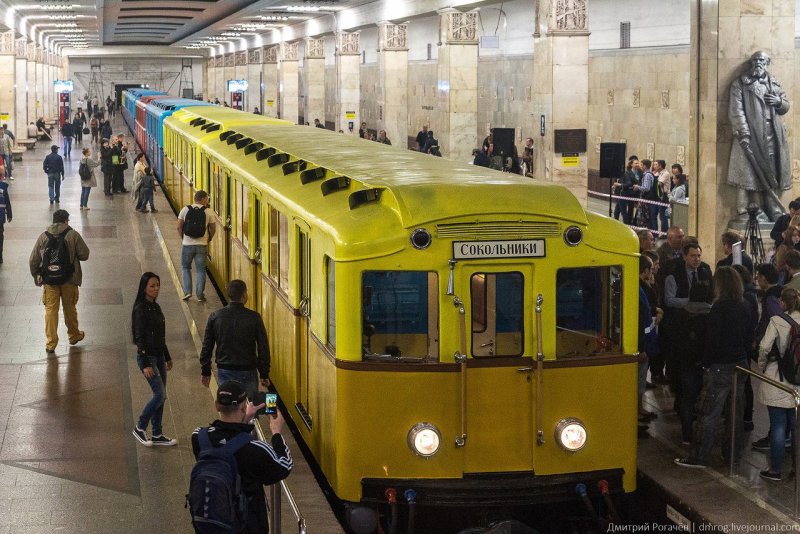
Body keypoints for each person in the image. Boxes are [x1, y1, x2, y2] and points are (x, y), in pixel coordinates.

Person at [675, 267, 753, 468]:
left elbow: (712, 340)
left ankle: (699, 457)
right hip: (740, 365)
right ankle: (732, 455)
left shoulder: (718, 308)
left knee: (708, 413)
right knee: (735, 414)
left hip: (720, 366)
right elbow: (748, 337)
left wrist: (706, 364)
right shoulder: (745, 306)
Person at [191, 380, 292, 533]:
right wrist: (276, 432)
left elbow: (225, 445)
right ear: (244, 407)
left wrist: (243, 420)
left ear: (217, 405)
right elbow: (284, 466)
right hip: (246, 524)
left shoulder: (199, 437)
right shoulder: (255, 449)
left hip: (212, 519)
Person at [727, 51, 791, 222]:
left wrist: (778, 102)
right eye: (755, 60)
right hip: (752, 134)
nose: (758, 63)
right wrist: (744, 132)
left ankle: (773, 207)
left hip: (773, 135)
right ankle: (747, 208)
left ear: (767, 63)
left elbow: (785, 106)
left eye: (762, 60)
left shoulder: (774, 83)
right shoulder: (740, 83)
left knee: (771, 170)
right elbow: (736, 111)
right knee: (748, 173)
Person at [28, 210, 90, 353]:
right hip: (69, 279)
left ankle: (51, 343)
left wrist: (36, 275)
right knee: (70, 308)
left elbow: (33, 259)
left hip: (49, 280)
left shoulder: (43, 237)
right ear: (66, 221)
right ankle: (74, 335)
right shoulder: (73, 234)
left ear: (53, 221)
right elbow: (85, 254)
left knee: (50, 310)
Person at [756, 287, 800, 481]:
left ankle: (775, 470)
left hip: (778, 379)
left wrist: (762, 365)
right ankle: (796, 469)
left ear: (782, 302)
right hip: (798, 382)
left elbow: (764, 347)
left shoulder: (776, 320)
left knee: (778, 426)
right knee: (796, 426)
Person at [200, 280, 270, 397]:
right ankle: (252, 415)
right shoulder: (254, 317)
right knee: (250, 408)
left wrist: (205, 371)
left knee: (229, 406)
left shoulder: (215, 316)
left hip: (225, 371)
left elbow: (207, 346)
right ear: (244, 295)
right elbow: (263, 348)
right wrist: (264, 373)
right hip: (248, 371)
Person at [131, 272, 177, 447]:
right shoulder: (140, 309)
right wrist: (144, 364)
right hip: (148, 358)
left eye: (157, 285)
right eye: (152, 286)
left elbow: (160, 336)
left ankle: (157, 434)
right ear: (144, 288)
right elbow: (139, 337)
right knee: (160, 394)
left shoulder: (156, 307)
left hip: (158, 356)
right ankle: (140, 427)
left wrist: (167, 356)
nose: (156, 289)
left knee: (161, 396)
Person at [672, 281, 712, 445]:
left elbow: (674, 339)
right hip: (706, 363)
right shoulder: (711, 315)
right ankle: (704, 435)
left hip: (686, 363)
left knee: (687, 399)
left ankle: (687, 434)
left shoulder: (680, 313)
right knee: (707, 401)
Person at [177, 190, 215, 301]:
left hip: (187, 245)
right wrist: (208, 239)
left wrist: (184, 238)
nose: (207, 201)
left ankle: (187, 292)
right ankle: (200, 295)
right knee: (200, 270)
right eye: (207, 199)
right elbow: (213, 228)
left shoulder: (185, 209)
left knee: (185, 268)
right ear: (203, 199)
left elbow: (179, 226)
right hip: (201, 245)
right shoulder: (209, 211)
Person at [0, 177, 11, 263]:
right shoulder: (3, 186)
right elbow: (7, 202)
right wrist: (9, 214)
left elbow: (7, 201)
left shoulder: (3, 186)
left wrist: (10, 214)